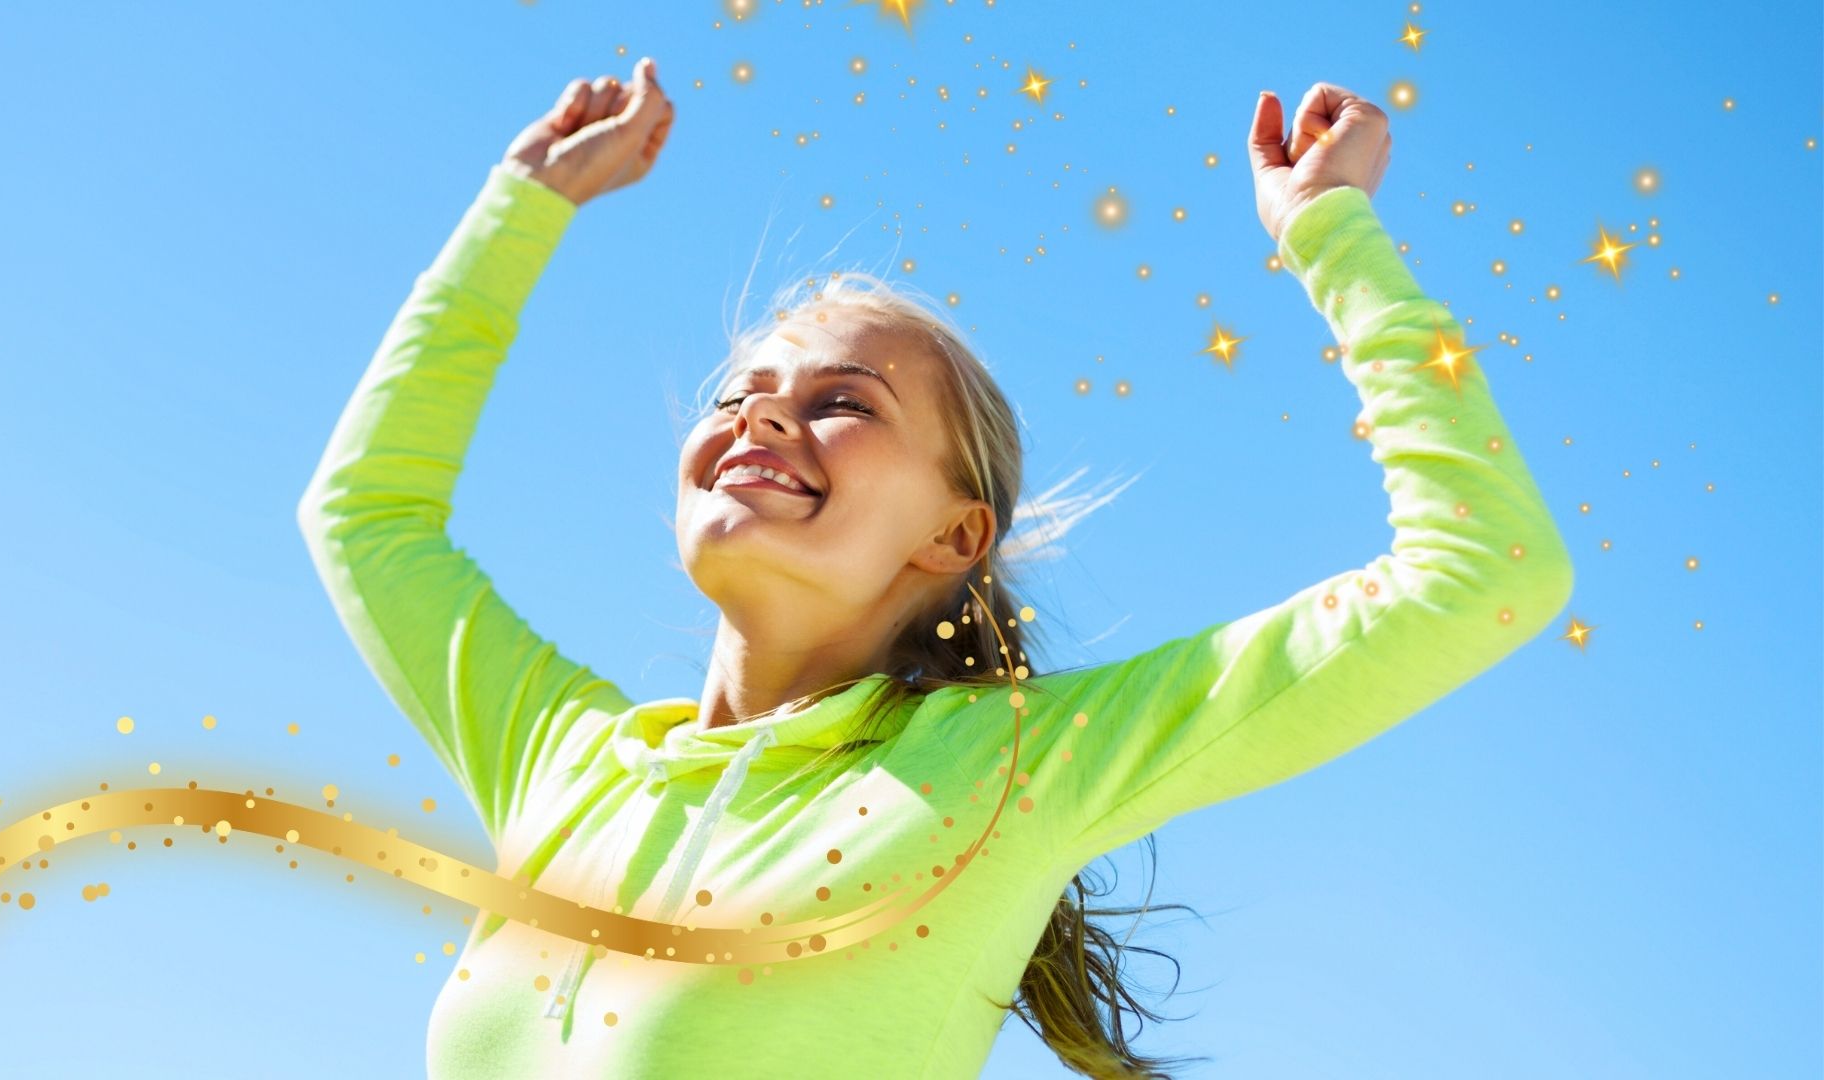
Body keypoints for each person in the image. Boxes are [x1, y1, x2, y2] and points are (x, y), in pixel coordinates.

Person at [296, 57, 1574, 1079]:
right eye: (738, 392)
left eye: (843, 402)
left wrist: (1332, 234)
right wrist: (523, 205)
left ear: (955, 538)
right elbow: (364, 517)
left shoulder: (1017, 767)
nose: (760, 418)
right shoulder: (561, 759)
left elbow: (1487, 569)